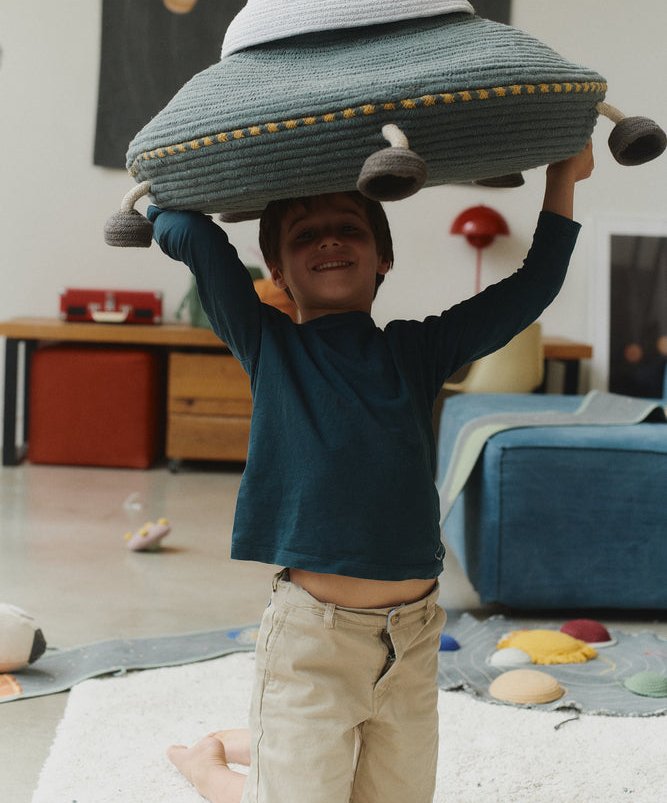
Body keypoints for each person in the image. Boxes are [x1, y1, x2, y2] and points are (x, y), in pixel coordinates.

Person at [149, 142, 594, 803]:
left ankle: (256, 752)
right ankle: (205, 767)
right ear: (276, 267)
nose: (328, 241)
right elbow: (191, 234)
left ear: (383, 257)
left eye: (348, 229)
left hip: (411, 642)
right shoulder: (268, 344)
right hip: (311, 646)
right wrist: (161, 197)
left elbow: (531, 287)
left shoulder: (416, 351)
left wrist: (564, 178)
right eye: (305, 236)